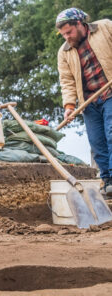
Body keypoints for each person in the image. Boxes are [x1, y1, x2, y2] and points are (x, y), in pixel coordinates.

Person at [56, 8, 112, 196]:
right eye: (63, 34)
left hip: (110, 93)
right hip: (89, 103)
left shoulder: (105, 28)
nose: (66, 37)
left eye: (69, 32)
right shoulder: (64, 52)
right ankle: (108, 181)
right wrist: (69, 106)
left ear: (80, 24)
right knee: (97, 144)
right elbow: (67, 81)